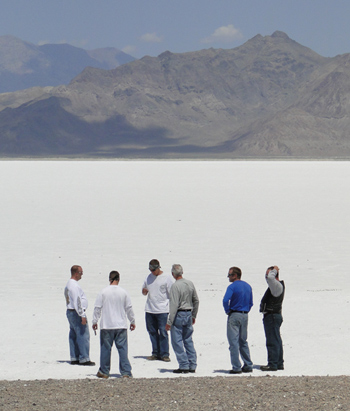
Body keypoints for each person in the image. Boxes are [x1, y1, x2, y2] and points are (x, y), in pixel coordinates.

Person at [92, 270, 135, 378]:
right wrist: (132, 321)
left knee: (106, 349)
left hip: (107, 325)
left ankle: (104, 371)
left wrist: (95, 321)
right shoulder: (123, 292)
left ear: (109, 279)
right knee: (123, 349)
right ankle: (126, 372)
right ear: (118, 279)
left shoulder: (103, 292)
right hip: (121, 325)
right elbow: (129, 308)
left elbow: (97, 308)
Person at [165, 264, 199, 374]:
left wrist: (169, 321)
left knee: (177, 341)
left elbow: (174, 305)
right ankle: (192, 363)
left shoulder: (175, 286)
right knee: (188, 339)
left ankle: (184, 365)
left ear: (173, 274)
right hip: (188, 313)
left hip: (179, 314)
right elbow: (196, 300)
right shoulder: (189, 283)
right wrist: (193, 315)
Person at [222, 266, 253, 374]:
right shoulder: (248, 286)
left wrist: (228, 310)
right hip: (245, 315)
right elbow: (251, 302)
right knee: (243, 341)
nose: (228, 277)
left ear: (235, 275)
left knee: (233, 342)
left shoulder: (232, 287)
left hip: (234, 314)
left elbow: (226, 300)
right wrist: (246, 310)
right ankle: (248, 364)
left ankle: (236, 367)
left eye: (230, 275)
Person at [142, 259, 174, 362]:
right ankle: (155, 353)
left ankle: (165, 354)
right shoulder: (148, 278)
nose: (152, 272)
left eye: (154, 270)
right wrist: (144, 291)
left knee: (163, 332)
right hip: (150, 309)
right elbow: (144, 290)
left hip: (162, 310)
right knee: (152, 332)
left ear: (158, 268)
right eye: (150, 270)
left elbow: (171, 294)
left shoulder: (166, 278)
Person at [64, 265, 95, 366]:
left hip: (70, 311)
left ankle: (75, 357)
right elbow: (77, 302)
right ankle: (84, 358)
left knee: (73, 334)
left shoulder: (69, 284)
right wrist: (82, 315)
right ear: (76, 273)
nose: (82, 275)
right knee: (83, 334)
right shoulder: (74, 286)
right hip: (76, 313)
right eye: (81, 273)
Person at [260, 265, 285, 372]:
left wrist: (274, 270)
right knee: (276, 339)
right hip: (274, 315)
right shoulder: (277, 286)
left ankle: (273, 363)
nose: (267, 278)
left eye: (267, 275)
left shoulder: (276, 285)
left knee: (272, 340)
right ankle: (278, 362)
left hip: (272, 316)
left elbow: (271, 278)